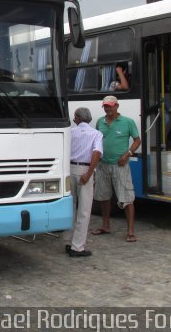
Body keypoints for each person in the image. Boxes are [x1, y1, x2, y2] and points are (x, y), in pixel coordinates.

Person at [93, 95, 141, 242]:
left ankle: (131, 231)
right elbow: (97, 140)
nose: (107, 109)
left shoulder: (128, 122)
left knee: (127, 198)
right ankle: (105, 226)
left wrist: (128, 154)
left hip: (120, 166)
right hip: (103, 165)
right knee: (104, 197)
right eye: (105, 106)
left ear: (117, 106)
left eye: (110, 106)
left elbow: (137, 140)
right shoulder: (100, 121)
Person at [65, 107, 103, 257]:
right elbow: (97, 152)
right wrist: (89, 173)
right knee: (84, 210)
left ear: (77, 118)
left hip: (69, 169)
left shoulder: (71, 133)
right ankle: (77, 246)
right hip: (84, 171)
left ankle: (67, 241)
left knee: (69, 207)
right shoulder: (96, 134)